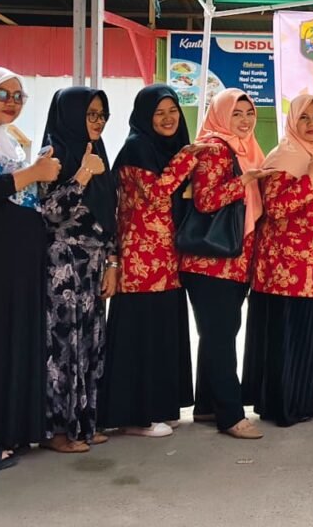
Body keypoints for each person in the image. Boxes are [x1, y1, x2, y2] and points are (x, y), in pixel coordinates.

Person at [99, 84, 203, 438]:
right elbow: (157, 195)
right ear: (145, 116)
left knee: (162, 335)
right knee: (140, 338)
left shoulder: (165, 149)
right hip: (141, 260)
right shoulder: (137, 147)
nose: (168, 119)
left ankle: (160, 407)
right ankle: (135, 416)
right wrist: (186, 159)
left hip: (168, 260)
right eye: (159, 113)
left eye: (173, 111)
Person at [0, 68, 60, 471]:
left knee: (9, 345)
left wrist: (33, 172)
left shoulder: (4, 142)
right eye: (2, 93)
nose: (11, 102)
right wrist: (31, 174)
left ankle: (3, 430)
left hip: (16, 265)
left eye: (18, 96)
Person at [242, 93, 313, 426]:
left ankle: (310, 401)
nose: (311, 124)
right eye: (303, 118)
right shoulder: (282, 156)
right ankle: (283, 405)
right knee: (289, 332)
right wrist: (309, 178)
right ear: (292, 122)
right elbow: (276, 208)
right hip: (287, 264)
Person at [180, 89, 268, 440]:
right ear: (220, 115)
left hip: (233, 261)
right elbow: (205, 200)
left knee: (220, 332)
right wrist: (243, 182)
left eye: (249, 113)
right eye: (236, 114)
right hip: (210, 262)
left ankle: (207, 404)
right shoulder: (216, 149)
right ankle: (231, 415)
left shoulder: (248, 150)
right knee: (220, 336)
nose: (245, 120)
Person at [40, 87, 120, 453]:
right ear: (71, 114)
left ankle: (84, 424)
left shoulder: (99, 154)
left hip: (93, 265)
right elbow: (50, 213)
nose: (98, 121)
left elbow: (110, 216)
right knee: (63, 348)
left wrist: (112, 263)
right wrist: (84, 174)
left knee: (89, 345)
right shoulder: (52, 154)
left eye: (102, 114)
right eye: (91, 114)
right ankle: (58, 431)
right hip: (63, 265)